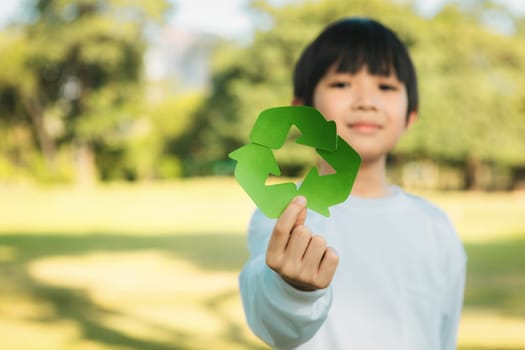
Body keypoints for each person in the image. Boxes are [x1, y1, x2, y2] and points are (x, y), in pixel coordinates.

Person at [238, 17, 467, 349]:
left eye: (386, 86)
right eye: (342, 84)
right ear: (301, 111)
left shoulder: (435, 227)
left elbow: (444, 336)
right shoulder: (286, 216)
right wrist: (292, 290)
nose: (365, 101)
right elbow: (273, 321)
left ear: (410, 116)